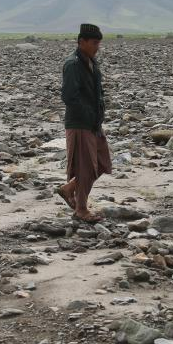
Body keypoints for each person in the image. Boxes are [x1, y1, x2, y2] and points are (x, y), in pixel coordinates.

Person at [55, 23, 111, 222]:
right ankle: (81, 209)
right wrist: (88, 115)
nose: (97, 47)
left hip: (93, 123)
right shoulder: (73, 64)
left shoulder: (91, 62)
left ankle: (69, 188)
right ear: (82, 42)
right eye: (94, 43)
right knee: (85, 167)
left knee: (103, 162)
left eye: (98, 43)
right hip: (80, 123)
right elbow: (69, 96)